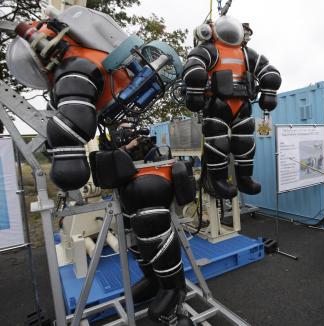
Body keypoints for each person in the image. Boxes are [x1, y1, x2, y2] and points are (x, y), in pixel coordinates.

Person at [7, 6, 193, 325]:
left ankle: (174, 290)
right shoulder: (81, 69)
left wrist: (68, 152)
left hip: (149, 176)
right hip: (125, 171)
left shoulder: (83, 70)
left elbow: (74, 123)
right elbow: (76, 120)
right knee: (134, 220)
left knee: (147, 196)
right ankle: (155, 279)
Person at [183, 15, 281, 199]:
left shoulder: (246, 53)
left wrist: (269, 88)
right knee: (217, 143)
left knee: (245, 142)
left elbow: (269, 70)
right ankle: (218, 181)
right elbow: (194, 66)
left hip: (243, 104)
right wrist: (195, 90)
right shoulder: (209, 50)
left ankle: (244, 178)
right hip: (216, 104)